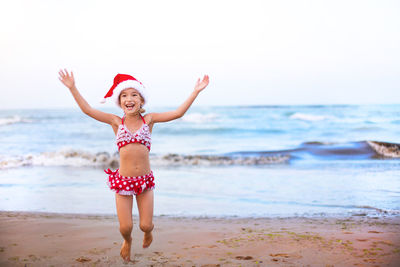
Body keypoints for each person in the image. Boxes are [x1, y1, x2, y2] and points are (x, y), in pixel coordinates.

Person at [58, 69, 209, 262]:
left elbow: (178, 113)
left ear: (141, 100)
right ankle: (127, 241)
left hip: (144, 182)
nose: (129, 99)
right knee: (125, 227)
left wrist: (195, 91)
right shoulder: (115, 122)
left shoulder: (149, 120)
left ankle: (148, 233)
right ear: (119, 101)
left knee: (145, 225)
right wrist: (73, 87)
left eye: (134, 95)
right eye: (124, 95)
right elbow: (88, 110)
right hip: (123, 182)